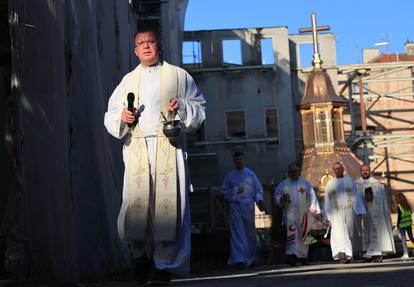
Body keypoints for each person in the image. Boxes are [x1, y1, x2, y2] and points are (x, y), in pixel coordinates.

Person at [104, 27, 205, 285]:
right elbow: (110, 117)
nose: (146, 46)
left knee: (167, 209)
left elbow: (200, 109)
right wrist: (123, 118)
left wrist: (182, 106)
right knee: (136, 206)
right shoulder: (127, 81)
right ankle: (140, 260)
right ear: (135, 50)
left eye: (150, 42)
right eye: (141, 44)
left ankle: (164, 265)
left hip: (167, 148)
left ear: (158, 46)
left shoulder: (179, 76)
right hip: (137, 149)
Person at [221, 151, 266, 268]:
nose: (239, 161)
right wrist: (235, 190)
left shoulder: (250, 174)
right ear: (234, 161)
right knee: (237, 233)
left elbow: (258, 189)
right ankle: (239, 259)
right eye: (237, 159)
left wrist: (259, 201)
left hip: (247, 205)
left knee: (250, 232)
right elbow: (224, 192)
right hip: (235, 206)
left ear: (244, 160)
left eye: (241, 159)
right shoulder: (230, 176)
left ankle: (251, 257)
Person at [274, 163, 320, 266]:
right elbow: (277, 195)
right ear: (288, 173)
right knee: (292, 234)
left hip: (303, 213)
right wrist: (281, 199)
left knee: (303, 235)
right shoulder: (283, 184)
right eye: (291, 172)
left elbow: (312, 196)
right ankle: (292, 256)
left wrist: (313, 208)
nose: (293, 173)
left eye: (295, 171)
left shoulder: (304, 183)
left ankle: (303, 256)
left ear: (298, 172)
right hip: (290, 213)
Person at [324, 162, 366, 264]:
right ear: (333, 171)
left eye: (339, 168)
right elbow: (327, 200)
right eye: (335, 169)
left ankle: (349, 254)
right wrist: (328, 216)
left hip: (348, 211)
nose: (337, 170)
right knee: (339, 234)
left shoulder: (349, 180)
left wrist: (359, 210)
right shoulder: (330, 183)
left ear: (343, 169)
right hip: (336, 213)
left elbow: (355, 195)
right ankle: (342, 254)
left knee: (349, 233)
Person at [355, 164, 395, 262]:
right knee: (364, 232)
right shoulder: (356, 184)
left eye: (366, 170)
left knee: (375, 231)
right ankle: (367, 254)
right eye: (363, 170)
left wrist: (373, 197)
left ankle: (377, 253)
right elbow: (353, 198)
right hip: (363, 213)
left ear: (370, 171)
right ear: (360, 171)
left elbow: (381, 198)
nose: (365, 172)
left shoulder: (376, 183)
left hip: (374, 212)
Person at [395, 193, 414, 259]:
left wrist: (397, 225)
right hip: (408, 224)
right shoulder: (407, 205)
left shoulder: (399, 206)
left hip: (402, 225)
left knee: (403, 239)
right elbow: (410, 213)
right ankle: (406, 253)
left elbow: (399, 217)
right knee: (411, 237)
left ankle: (406, 253)